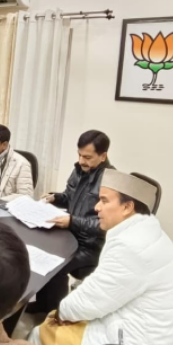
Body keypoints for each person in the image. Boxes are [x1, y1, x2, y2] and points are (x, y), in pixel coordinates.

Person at [29, 169, 173, 345]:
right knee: (58, 319)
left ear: (127, 207)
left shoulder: (131, 247)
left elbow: (88, 302)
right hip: (146, 337)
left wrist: (62, 312)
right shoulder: (145, 231)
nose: (96, 208)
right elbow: (101, 290)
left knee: (40, 333)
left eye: (104, 201)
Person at [27, 130, 114, 314]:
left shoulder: (111, 183)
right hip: (70, 235)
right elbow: (69, 197)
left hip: (91, 246)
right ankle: (43, 303)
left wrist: (72, 222)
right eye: (79, 155)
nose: (81, 161)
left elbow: (104, 225)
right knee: (37, 249)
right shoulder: (79, 170)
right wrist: (55, 197)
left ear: (103, 156)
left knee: (53, 264)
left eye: (87, 157)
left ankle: (55, 310)